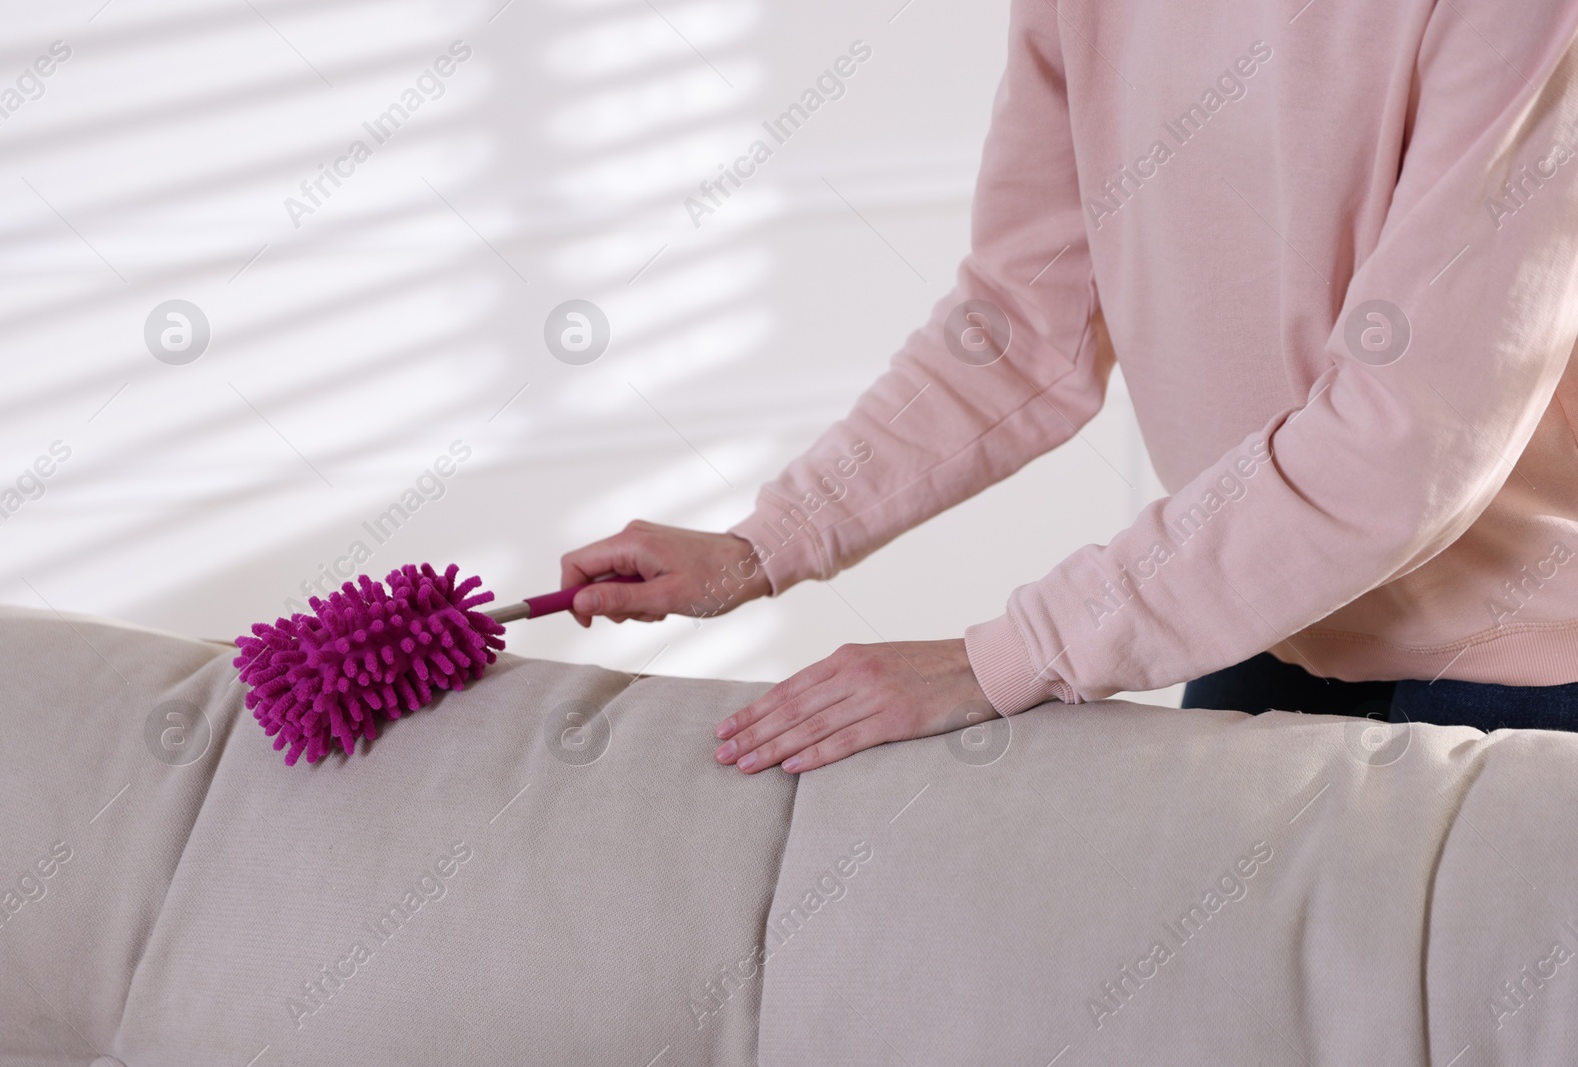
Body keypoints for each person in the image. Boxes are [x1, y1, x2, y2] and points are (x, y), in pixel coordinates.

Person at [561, 0, 1578, 774]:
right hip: (1266, 626)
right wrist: (764, 544)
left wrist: (1002, 658)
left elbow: (1399, 450)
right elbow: (1019, 319)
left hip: (1536, 666)